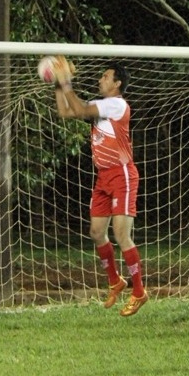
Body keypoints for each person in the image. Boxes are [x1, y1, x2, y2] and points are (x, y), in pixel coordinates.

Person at [53, 57, 147, 316]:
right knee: (96, 232)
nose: (100, 80)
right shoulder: (103, 105)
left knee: (121, 234)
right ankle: (116, 280)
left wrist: (66, 81)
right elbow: (66, 111)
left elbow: (81, 110)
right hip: (104, 177)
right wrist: (59, 86)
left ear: (117, 83)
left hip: (123, 175)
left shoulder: (116, 105)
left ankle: (139, 292)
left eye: (105, 76)